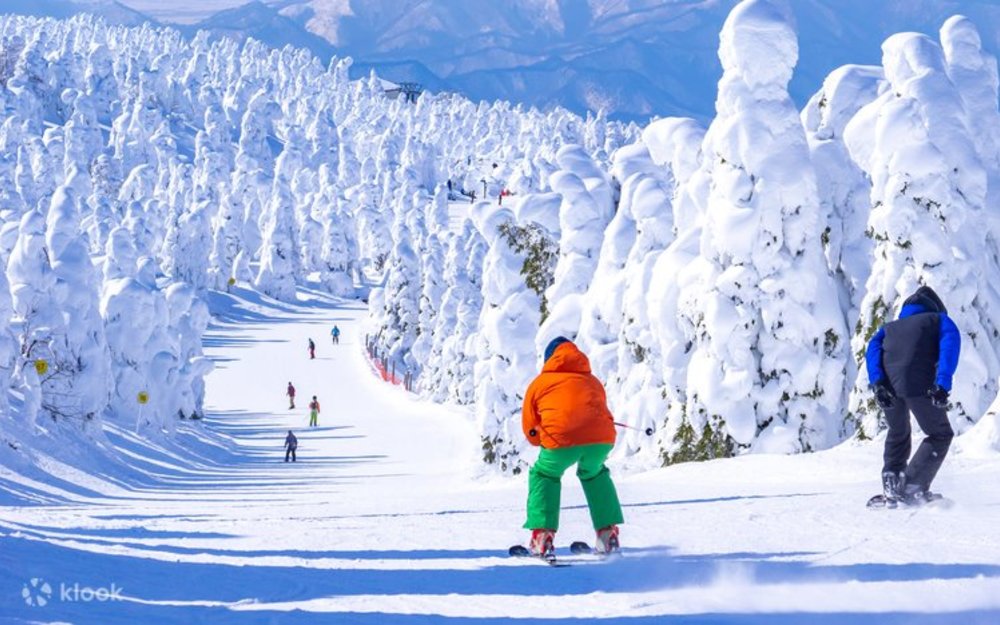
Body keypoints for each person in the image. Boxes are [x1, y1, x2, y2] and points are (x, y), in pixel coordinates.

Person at [521, 336, 624, 558]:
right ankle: (607, 534)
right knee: (594, 474)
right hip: (601, 440)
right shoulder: (592, 381)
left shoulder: (539, 384)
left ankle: (542, 536)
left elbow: (530, 429)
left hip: (561, 441)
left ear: (549, 359)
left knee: (544, 474)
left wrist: (540, 438)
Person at [866, 286, 960, 506]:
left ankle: (892, 485)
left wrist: (878, 384)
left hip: (888, 387)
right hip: (920, 384)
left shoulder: (888, 328)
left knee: (898, 431)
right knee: (940, 434)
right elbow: (949, 348)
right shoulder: (939, 321)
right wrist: (942, 384)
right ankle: (912, 487)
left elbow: (872, 350)